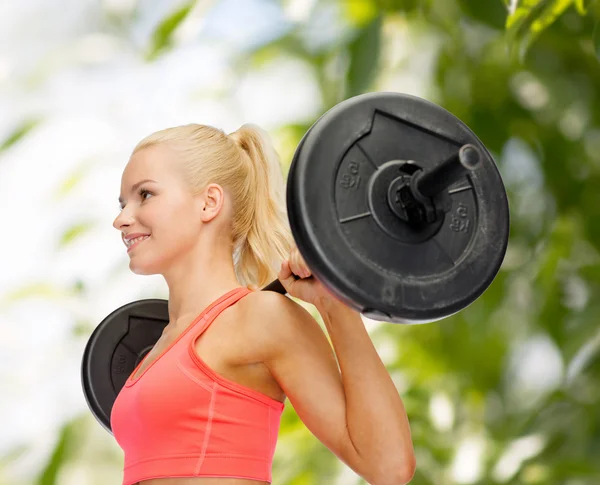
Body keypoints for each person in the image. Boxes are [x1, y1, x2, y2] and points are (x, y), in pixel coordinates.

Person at [111, 122, 416, 485]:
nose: (121, 219)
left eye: (144, 195)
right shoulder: (156, 349)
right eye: (122, 203)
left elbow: (389, 466)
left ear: (209, 203)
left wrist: (335, 306)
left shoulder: (261, 318)